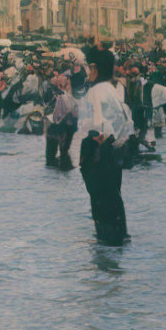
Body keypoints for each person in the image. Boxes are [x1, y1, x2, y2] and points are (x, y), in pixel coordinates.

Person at [77, 49, 133, 246]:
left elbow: (98, 125)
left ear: (95, 68)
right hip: (115, 151)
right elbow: (126, 122)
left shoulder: (95, 91)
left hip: (99, 149)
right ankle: (119, 238)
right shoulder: (115, 88)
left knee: (101, 200)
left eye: (89, 67)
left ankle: (107, 243)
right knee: (114, 197)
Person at [46, 75, 78, 169]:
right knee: (63, 152)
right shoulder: (64, 97)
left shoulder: (63, 97)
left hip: (60, 128)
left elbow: (57, 116)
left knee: (54, 156)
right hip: (65, 127)